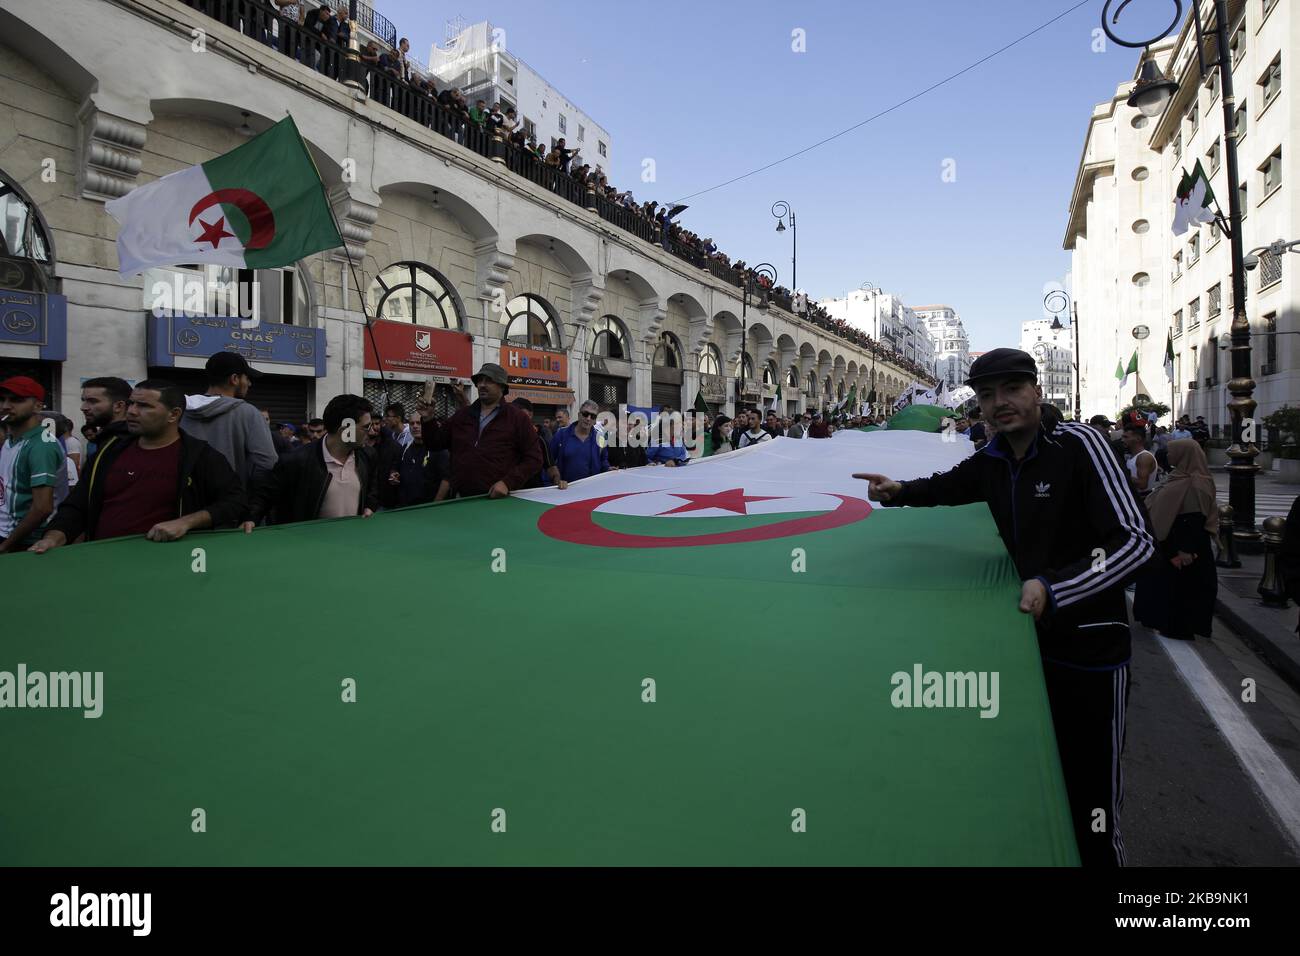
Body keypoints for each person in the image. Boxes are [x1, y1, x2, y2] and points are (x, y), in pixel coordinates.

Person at [854, 347, 1155, 867]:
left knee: (1092, 798)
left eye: (1012, 390)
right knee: (1031, 780)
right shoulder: (993, 459)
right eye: (988, 395)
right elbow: (950, 486)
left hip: (1090, 653)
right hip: (1020, 652)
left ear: (1037, 392)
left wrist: (1054, 588)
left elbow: (1135, 542)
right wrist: (898, 491)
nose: (1000, 404)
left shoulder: (1078, 445)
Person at [30, 380, 244, 551]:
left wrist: (187, 522)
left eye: (144, 406)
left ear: (174, 414)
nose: (131, 411)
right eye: (132, 403)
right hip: (102, 559)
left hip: (167, 564)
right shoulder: (109, 451)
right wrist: (54, 536)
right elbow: (77, 505)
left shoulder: (200, 456)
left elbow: (234, 502)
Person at [242, 393, 379, 529]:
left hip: (352, 543)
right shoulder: (296, 461)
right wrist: (251, 519)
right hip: (307, 545)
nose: (372, 431)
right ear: (345, 430)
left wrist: (370, 505)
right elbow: (265, 495)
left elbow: (373, 488)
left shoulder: (368, 456)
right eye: (366, 427)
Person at [1133, 440, 1219, 641]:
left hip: (1183, 549)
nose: (1168, 455)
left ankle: (1179, 627)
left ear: (1183, 455)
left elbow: (1194, 519)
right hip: (1168, 544)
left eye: (1172, 452)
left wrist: (1185, 550)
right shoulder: (1178, 477)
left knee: (1182, 591)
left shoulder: (1196, 483)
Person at [418, 363, 542, 500]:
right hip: (462, 499)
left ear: (501, 386)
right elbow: (434, 443)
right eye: (479, 381)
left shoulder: (517, 418)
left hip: (497, 500)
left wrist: (508, 483)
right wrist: (428, 419)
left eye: (489, 380)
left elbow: (534, 459)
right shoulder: (462, 416)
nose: (482, 385)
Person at [183, 352, 278, 485]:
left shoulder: (181, 411)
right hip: (231, 500)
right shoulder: (248, 413)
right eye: (247, 378)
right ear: (234, 379)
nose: (249, 384)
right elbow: (267, 461)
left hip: (186, 499)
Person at [0, 377, 61, 553]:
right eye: (2, 399)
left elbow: (42, 508)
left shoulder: (42, 445)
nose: (5, 406)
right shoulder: (10, 439)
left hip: (21, 540)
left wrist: (6, 546)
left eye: (17, 400)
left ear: (38, 406)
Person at [550, 400, 609, 484]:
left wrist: (608, 469)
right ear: (579, 415)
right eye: (585, 414)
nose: (588, 418)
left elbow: (603, 461)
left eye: (592, 416)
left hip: (590, 490)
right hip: (565, 490)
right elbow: (549, 462)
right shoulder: (561, 435)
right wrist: (556, 479)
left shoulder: (601, 439)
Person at [80, 375, 132, 463]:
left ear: (118, 406)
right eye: (83, 401)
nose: (83, 407)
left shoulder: (131, 443)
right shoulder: (104, 438)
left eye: (93, 401)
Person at [366, 414, 403, 510]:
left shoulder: (392, 446)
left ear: (381, 424)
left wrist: (394, 473)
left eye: (376, 424)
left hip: (385, 499)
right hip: (366, 499)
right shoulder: (359, 447)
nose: (374, 427)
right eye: (370, 424)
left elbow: (397, 466)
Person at [1122, 423, 1161, 500]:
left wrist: (1120, 474)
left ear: (1138, 438)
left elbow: (1142, 484)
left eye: (1126, 437)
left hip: (1142, 499)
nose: (1122, 440)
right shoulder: (1133, 456)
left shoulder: (1144, 457)